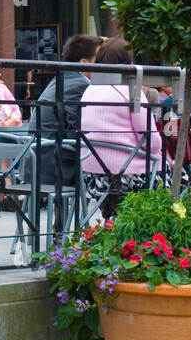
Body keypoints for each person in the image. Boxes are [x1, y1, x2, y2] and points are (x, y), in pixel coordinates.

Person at [80, 38, 163, 216]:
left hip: (92, 176)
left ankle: (115, 228)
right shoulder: (131, 91)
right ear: (128, 63)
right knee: (180, 176)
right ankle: (156, 236)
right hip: (127, 176)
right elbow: (153, 144)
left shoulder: (89, 90)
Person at [33, 34, 101, 186]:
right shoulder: (80, 85)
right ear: (84, 63)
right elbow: (76, 130)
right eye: (100, 58)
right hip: (55, 164)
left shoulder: (62, 78)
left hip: (38, 159)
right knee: (110, 162)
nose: (104, 63)